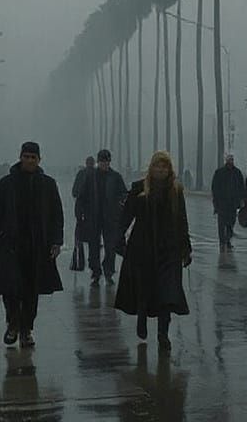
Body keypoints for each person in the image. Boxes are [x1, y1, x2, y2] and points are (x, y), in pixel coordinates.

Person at [0, 141, 64, 348]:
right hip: (10, 246)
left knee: (31, 291)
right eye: (26, 156)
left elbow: (57, 215)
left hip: (37, 247)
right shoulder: (6, 184)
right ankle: (12, 323)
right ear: (20, 157)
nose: (29, 160)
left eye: (33, 157)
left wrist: (56, 241)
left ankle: (26, 329)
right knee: (10, 288)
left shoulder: (48, 184)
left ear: (39, 160)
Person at [115, 150, 193, 351]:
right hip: (143, 247)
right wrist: (118, 238)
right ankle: (141, 315)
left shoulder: (176, 190)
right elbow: (127, 215)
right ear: (151, 167)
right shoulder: (139, 189)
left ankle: (163, 333)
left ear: (169, 169)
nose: (161, 169)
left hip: (169, 249)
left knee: (167, 295)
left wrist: (186, 248)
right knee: (145, 289)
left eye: (164, 166)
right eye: (158, 166)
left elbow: (181, 220)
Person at [77, 148, 127, 285]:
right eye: (102, 161)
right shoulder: (90, 177)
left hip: (110, 218)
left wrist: (120, 205)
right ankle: (95, 272)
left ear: (109, 162)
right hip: (93, 217)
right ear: (98, 162)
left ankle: (108, 271)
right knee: (94, 246)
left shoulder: (116, 177)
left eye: (106, 161)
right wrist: (80, 215)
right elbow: (81, 196)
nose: (104, 164)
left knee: (110, 247)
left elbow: (123, 193)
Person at [211, 153, 245, 251]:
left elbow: (241, 186)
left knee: (231, 222)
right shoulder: (219, 172)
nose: (230, 161)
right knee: (221, 223)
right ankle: (222, 241)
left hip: (233, 203)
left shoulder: (237, 173)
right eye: (229, 160)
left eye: (232, 160)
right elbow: (215, 187)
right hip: (222, 202)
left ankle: (228, 239)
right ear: (226, 161)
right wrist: (216, 199)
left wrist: (242, 198)